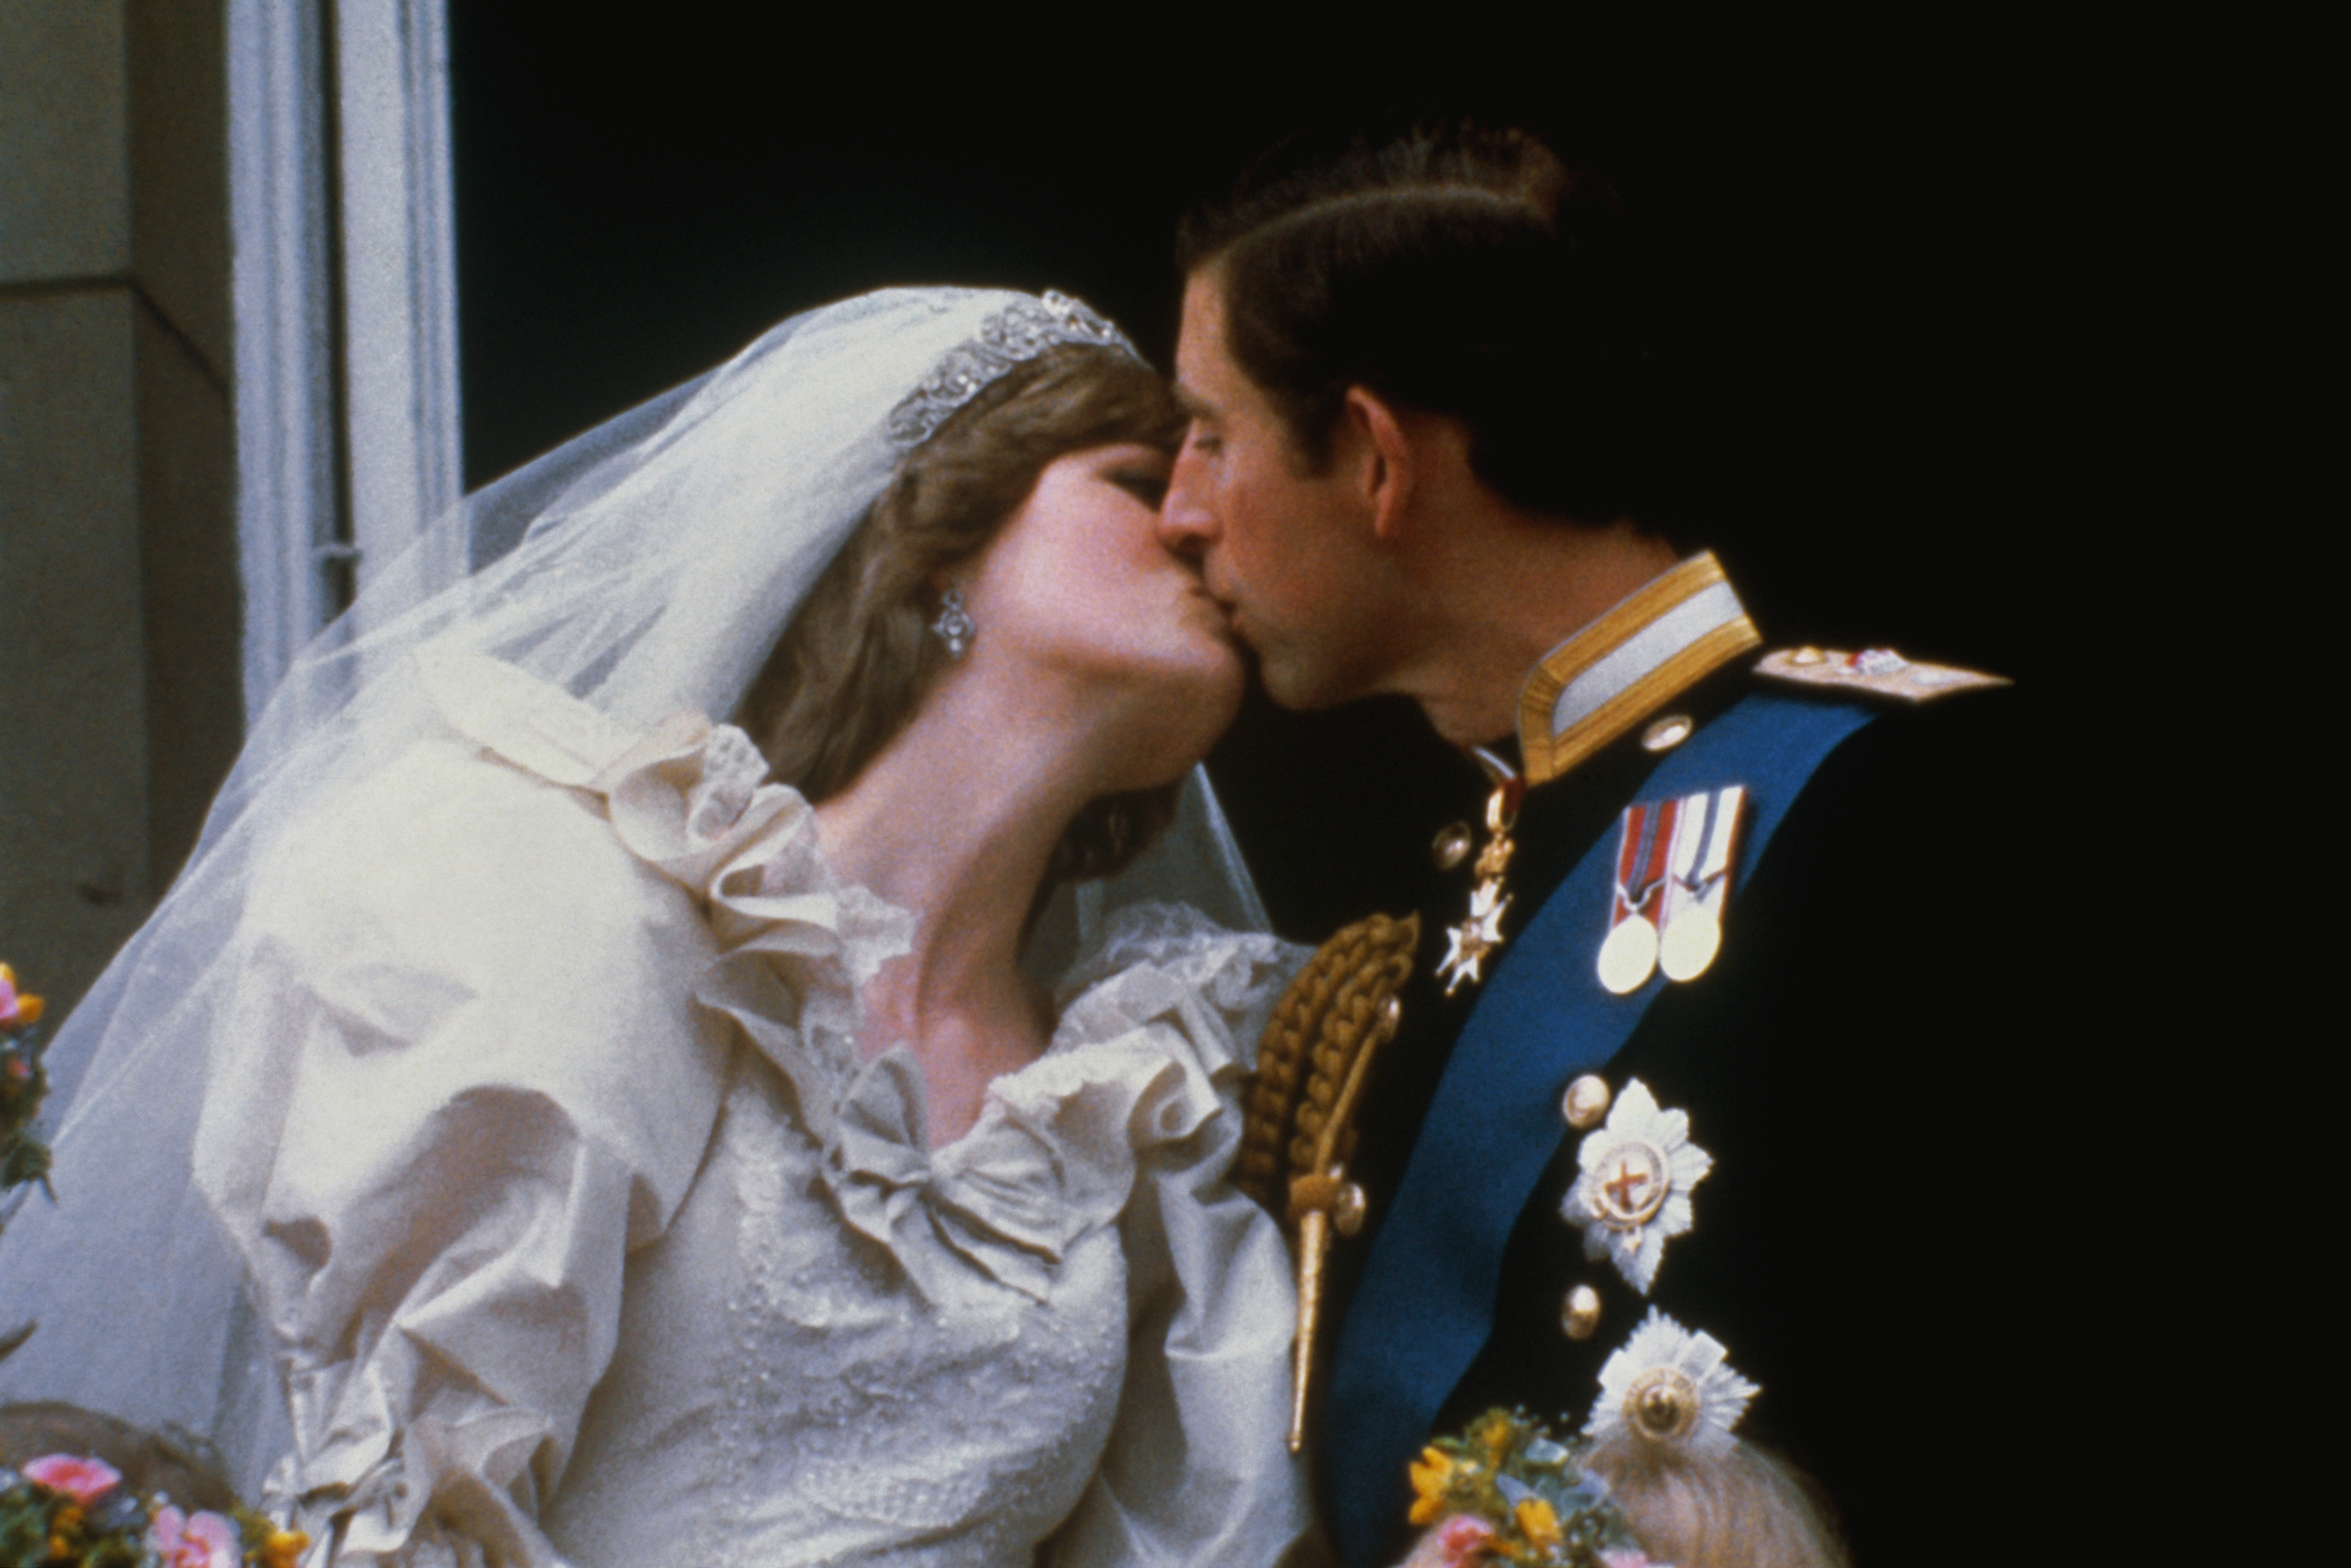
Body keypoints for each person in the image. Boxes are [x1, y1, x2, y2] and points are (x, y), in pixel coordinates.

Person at [0, 287, 1314, 1566]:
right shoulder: (563, 915)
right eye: (1138, 484)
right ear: (941, 536)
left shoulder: (1146, 1100)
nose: (1204, 526)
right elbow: (410, 1514)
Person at [1159, 125, 2040, 1565]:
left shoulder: (1902, 796)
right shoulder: (1480, 859)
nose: (1182, 512)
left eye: (1211, 433)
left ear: (1377, 461)